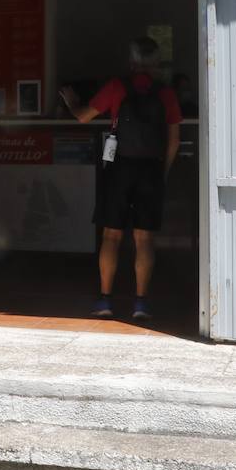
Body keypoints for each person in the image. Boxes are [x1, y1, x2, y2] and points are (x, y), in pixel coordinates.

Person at [60, 37, 181, 321]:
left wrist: (72, 102)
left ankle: (105, 300)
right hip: (150, 169)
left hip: (119, 169)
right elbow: (174, 140)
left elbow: (83, 117)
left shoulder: (117, 87)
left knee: (111, 236)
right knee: (144, 239)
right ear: (156, 64)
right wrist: (162, 172)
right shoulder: (167, 93)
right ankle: (140, 303)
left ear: (132, 62)